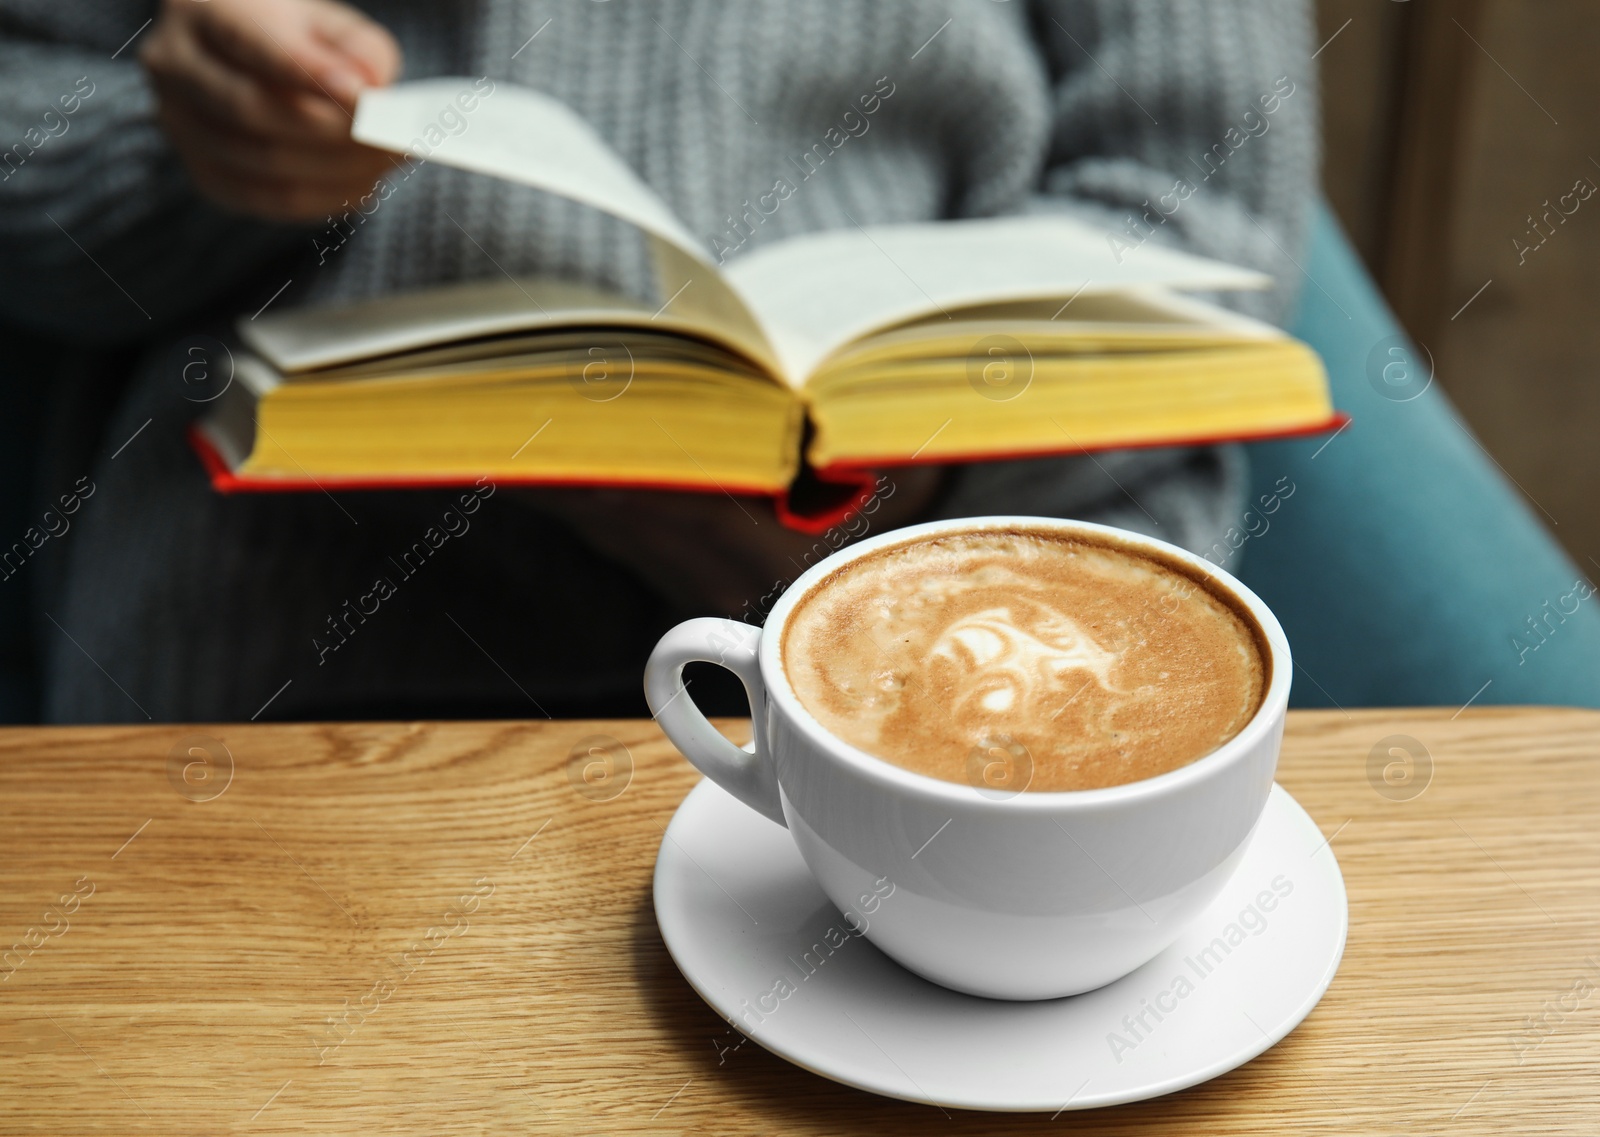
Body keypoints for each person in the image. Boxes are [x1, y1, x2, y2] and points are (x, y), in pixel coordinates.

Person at [0, 0, 1593, 722]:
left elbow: (1199, 200)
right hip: (294, 610)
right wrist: (179, 138)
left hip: (974, 575)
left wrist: (913, 485)